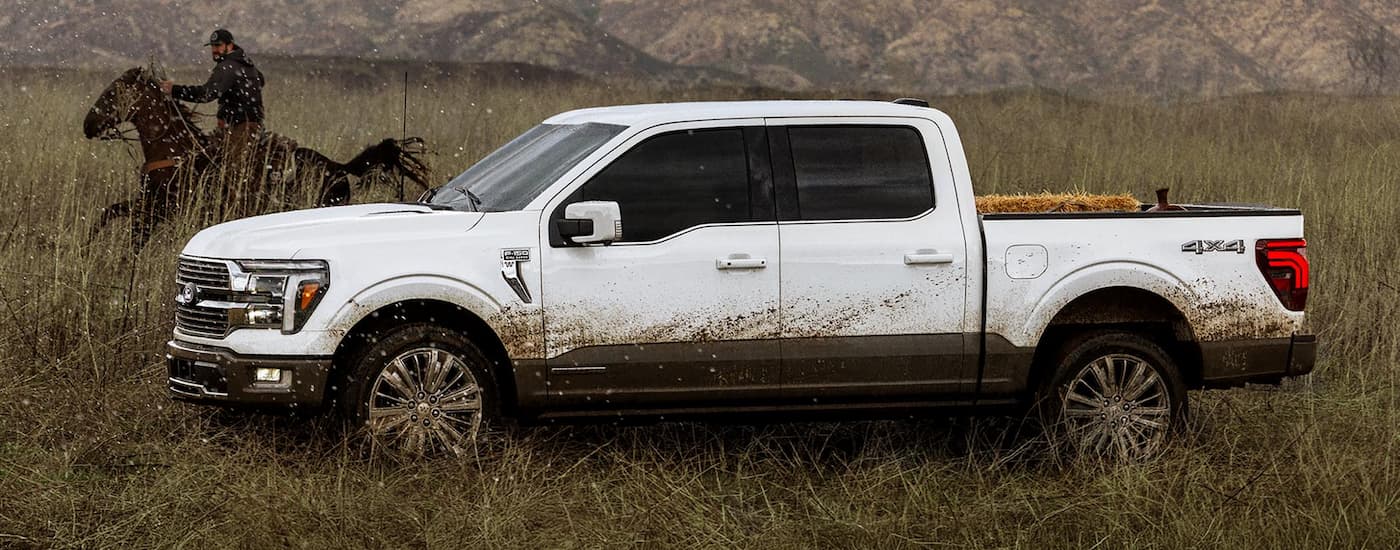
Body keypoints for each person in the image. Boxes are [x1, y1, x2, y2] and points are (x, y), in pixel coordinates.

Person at [160, 28, 265, 165]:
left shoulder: (229, 66)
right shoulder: (245, 63)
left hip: (240, 128)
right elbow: (261, 80)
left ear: (230, 45)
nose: (214, 50)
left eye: (218, 45)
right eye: (212, 46)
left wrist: (174, 90)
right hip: (245, 126)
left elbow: (206, 94)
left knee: (230, 170)